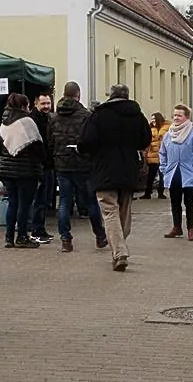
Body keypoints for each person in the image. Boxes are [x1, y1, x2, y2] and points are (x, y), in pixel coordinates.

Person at [79, 83, 150, 272]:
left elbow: (86, 142)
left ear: (110, 96)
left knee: (110, 212)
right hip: (128, 169)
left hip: (104, 169)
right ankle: (120, 246)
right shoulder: (137, 116)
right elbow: (145, 141)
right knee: (124, 211)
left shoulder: (98, 116)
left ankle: (119, 252)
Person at [49, 82, 108, 253]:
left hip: (61, 163)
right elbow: (92, 141)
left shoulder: (53, 117)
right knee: (91, 202)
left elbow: (50, 141)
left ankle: (66, 239)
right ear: (78, 95)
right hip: (83, 164)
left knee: (65, 202)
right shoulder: (86, 116)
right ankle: (99, 235)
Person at [0, 93, 46, 248]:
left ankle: (8, 237)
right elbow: (37, 146)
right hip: (26, 170)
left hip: (7, 170)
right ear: (24, 106)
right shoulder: (27, 122)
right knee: (24, 205)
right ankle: (22, 236)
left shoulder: (4, 122)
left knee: (12, 203)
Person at [158, 104, 193, 241]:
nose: (176, 118)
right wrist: (163, 168)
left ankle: (191, 230)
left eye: (179, 115)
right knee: (175, 202)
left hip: (189, 174)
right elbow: (162, 153)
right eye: (174, 115)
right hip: (173, 173)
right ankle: (176, 227)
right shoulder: (169, 134)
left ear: (186, 117)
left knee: (189, 202)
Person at [31, 93, 56, 238]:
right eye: (43, 104)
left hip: (48, 165)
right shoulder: (34, 120)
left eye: (48, 103)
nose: (46, 106)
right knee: (39, 200)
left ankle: (39, 228)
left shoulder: (49, 119)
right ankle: (36, 229)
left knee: (44, 200)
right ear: (36, 104)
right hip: (40, 165)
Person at [142, 112, 169, 199]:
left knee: (162, 175)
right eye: (152, 119)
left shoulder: (167, 128)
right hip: (152, 154)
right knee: (151, 175)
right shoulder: (150, 128)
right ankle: (147, 193)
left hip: (163, 154)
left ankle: (161, 193)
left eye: (154, 119)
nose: (153, 121)